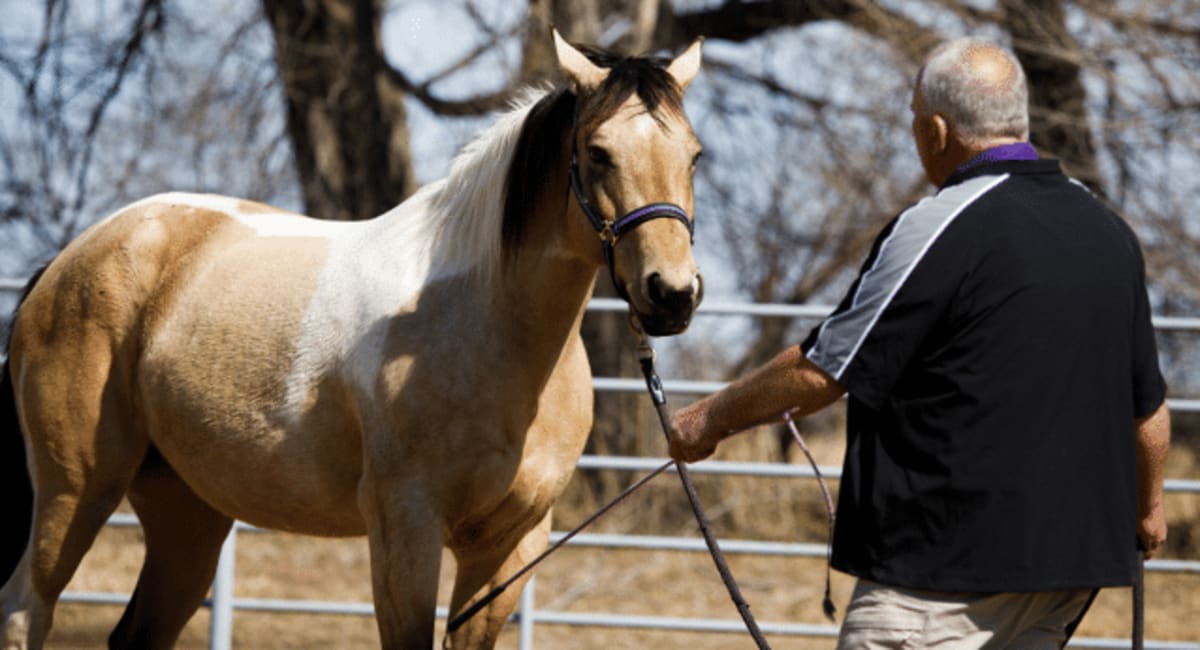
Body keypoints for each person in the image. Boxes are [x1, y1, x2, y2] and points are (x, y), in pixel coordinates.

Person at [668, 37, 1171, 648]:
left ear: (937, 130)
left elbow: (824, 372)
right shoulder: (1108, 231)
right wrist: (1148, 511)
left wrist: (710, 418)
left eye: (914, 122)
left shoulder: (938, 223)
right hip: (1067, 574)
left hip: (938, 574)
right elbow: (1149, 416)